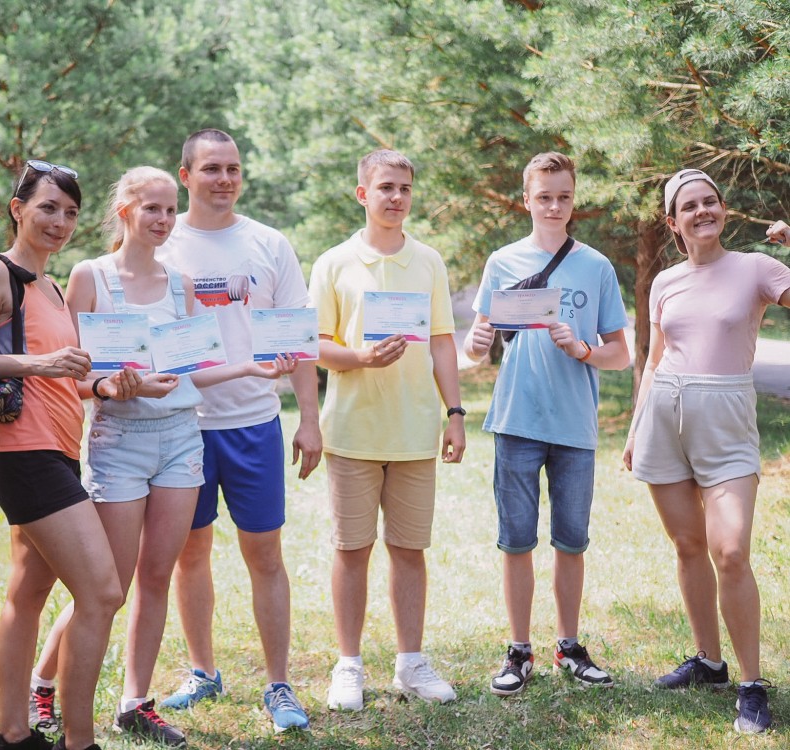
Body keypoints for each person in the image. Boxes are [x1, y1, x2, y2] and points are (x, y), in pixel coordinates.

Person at [25, 166, 297, 746]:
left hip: (181, 441)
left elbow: (194, 368)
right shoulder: (89, 276)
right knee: (108, 586)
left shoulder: (182, 285)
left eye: (170, 211)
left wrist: (250, 365)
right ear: (124, 211)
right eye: (152, 209)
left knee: (154, 577)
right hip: (119, 445)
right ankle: (42, 683)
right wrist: (110, 386)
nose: (163, 220)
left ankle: (134, 703)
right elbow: (66, 377)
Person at [0, 160, 129, 750]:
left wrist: (104, 385)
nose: (60, 221)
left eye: (71, 213)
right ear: (17, 208)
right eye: (48, 207)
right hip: (24, 456)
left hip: (60, 450)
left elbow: (64, 378)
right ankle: (79, 740)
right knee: (103, 593)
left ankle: (12, 735)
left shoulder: (52, 288)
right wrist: (38, 364)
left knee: (26, 597)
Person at [154, 129, 322, 733]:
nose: (224, 179)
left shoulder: (268, 244)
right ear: (186, 174)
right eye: (211, 169)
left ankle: (279, 685)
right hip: (180, 426)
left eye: (233, 168)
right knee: (188, 554)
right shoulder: (164, 243)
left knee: (264, 554)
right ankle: (203, 671)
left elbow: (298, 336)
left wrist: (309, 418)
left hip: (254, 423)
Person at [622, 169, 790, 734]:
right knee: (689, 544)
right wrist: (635, 425)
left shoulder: (756, 269)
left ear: (723, 209)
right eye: (689, 206)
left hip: (726, 421)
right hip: (663, 415)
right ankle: (709, 663)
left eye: (710, 202)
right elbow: (653, 358)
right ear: (673, 223)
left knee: (731, 550)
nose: (702, 212)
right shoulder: (664, 281)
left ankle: (751, 683)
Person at [463, 152, 630, 697]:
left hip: (576, 426)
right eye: (543, 196)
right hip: (517, 419)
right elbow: (478, 341)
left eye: (562, 196)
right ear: (527, 199)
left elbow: (620, 355)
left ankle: (569, 645)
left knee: (571, 541)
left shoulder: (596, 266)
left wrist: (583, 349)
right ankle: (518, 651)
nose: (553, 205)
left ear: (573, 198)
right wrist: (476, 342)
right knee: (515, 541)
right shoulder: (502, 260)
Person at [308, 149, 465, 711]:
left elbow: (443, 341)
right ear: (362, 194)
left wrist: (455, 412)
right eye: (385, 188)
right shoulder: (333, 263)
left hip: (415, 429)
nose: (396, 197)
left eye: (404, 188)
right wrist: (360, 358)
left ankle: (410, 663)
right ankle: (348, 665)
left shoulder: (428, 262)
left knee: (408, 549)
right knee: (352, 550)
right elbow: (316, 345)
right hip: (352, 429)